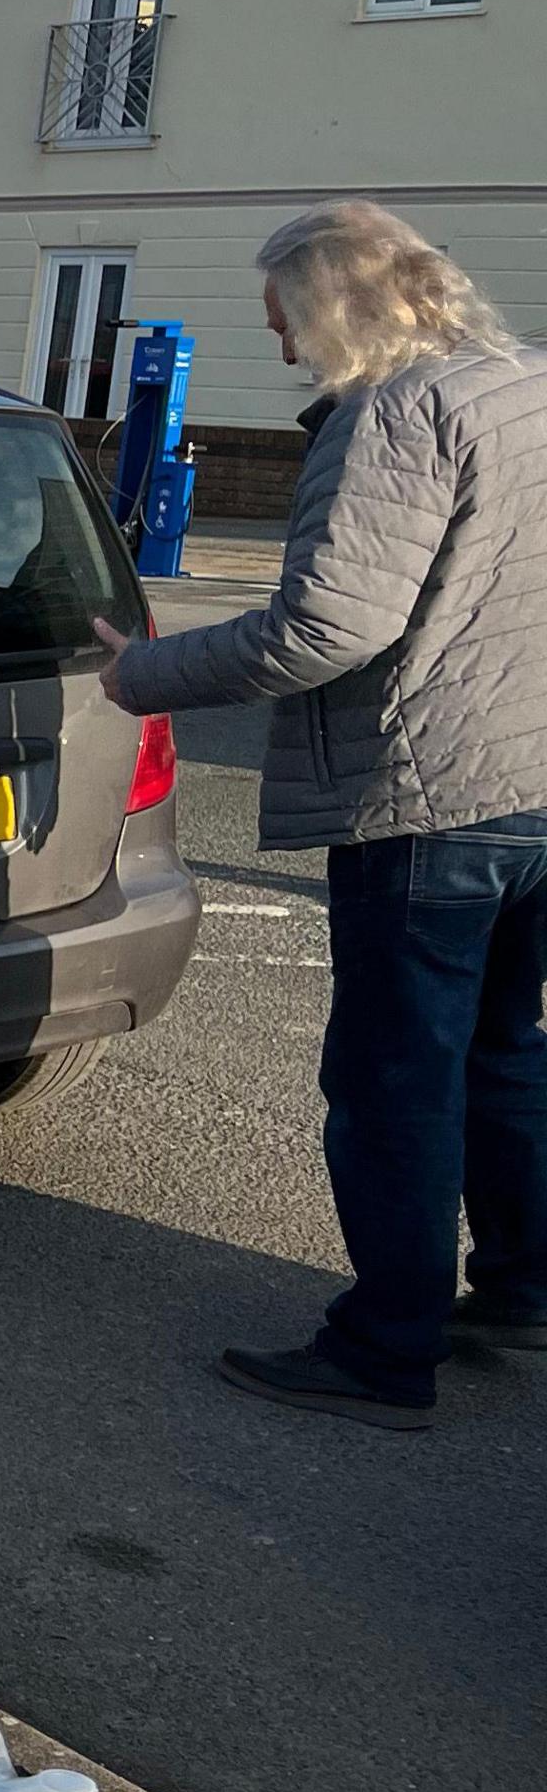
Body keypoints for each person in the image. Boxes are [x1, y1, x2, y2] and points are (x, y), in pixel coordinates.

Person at [97, 199, 547, 1429]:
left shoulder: (396, 416)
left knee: (395, 1077)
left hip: (432, 797)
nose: (286, 348)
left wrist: (140, 674)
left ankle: (385, 1351)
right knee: (508, 1051)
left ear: (341, 306)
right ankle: (521, 1285)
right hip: (538, 789)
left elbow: (327, 630)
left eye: (286, 319)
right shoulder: (525, 383)